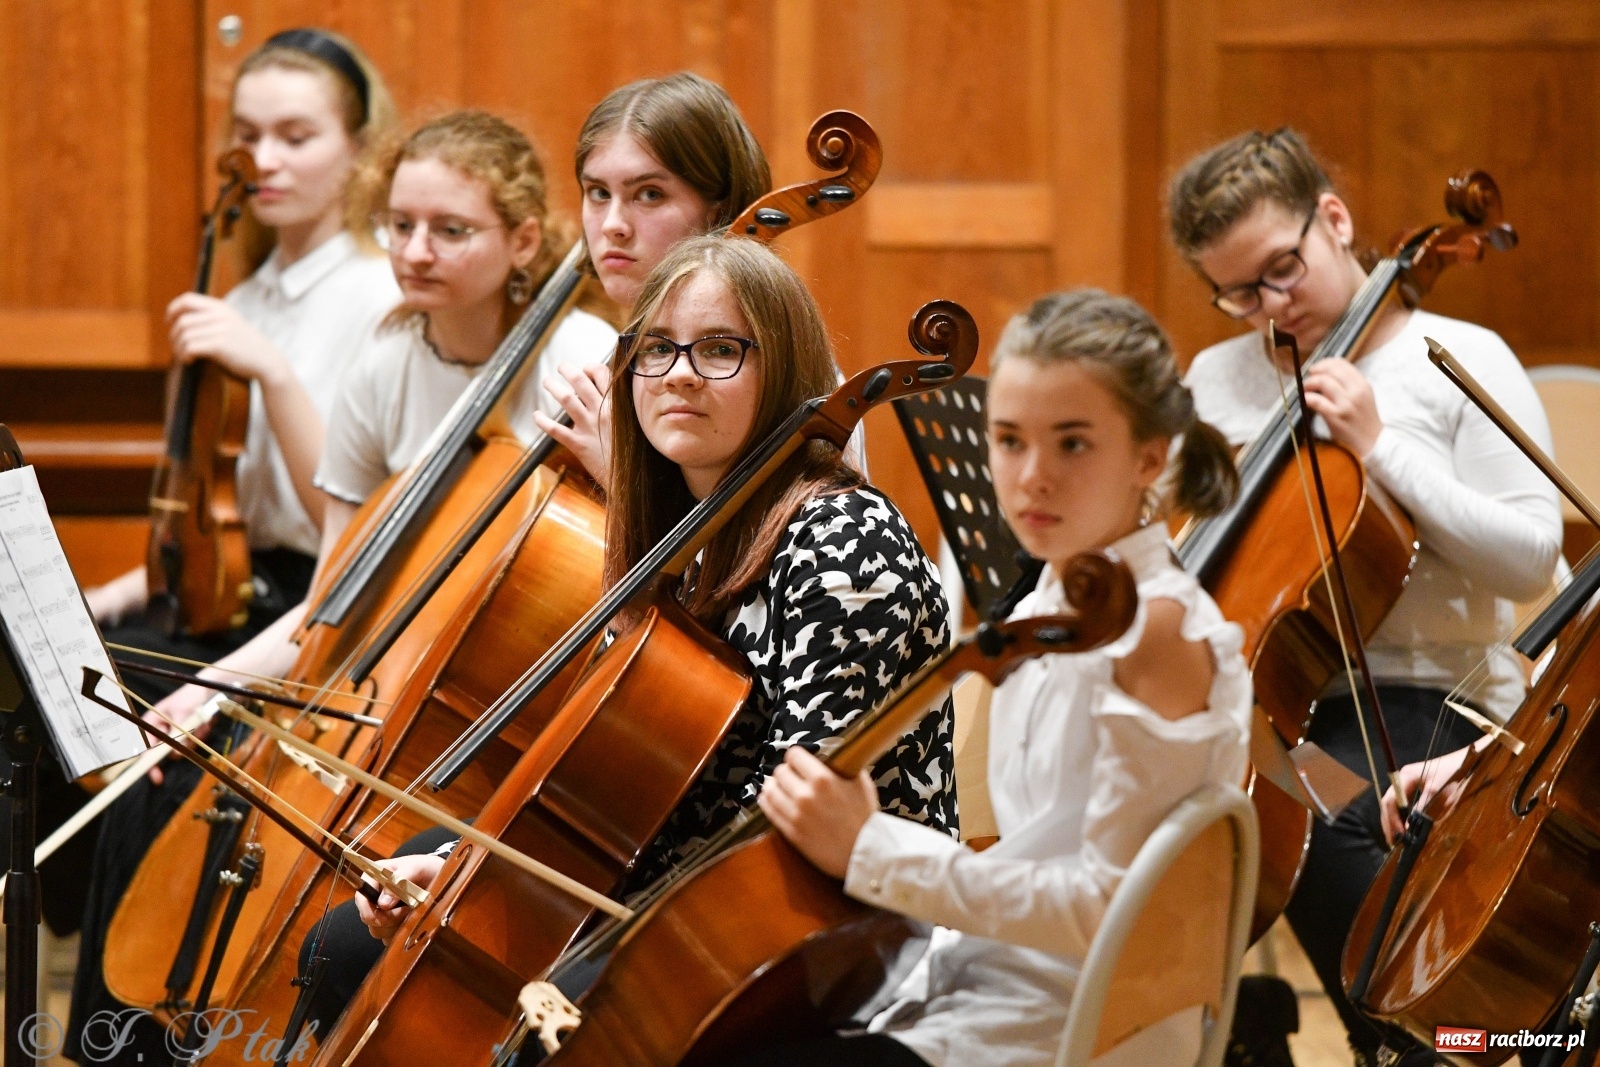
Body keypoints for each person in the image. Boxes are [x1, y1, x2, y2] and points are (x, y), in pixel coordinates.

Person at [304, 235, 958, 1050]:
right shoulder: (685, 539)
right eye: (657, 349)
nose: (680, 372)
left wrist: (538, 921)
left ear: (784, 368)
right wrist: (483, 887)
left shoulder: (844, 542)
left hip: (813, 943)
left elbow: (784, 836)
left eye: (721, 349)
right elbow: (635, 805)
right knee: (349, 944)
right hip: (682, 908)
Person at [724, 288, 1251, 1067]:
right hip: (977, 986)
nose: (1031, 476)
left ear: (1148, 456)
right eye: (1008, 440)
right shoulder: (1054, 595)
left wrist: (873, 848)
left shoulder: (1159, 631)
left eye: (1072, 444)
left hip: (1065, 1030)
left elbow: (1108, 911)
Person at [1171, 128, 1562, 1064]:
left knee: (1304, 799)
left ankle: (1427, 1043)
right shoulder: (1215, 382)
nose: (1268, 308)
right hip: (1276, 707)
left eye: (1281, 271)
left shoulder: (1455, 357)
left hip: (1437, 706)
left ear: (1334, 221)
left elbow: (1529, 556)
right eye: (1235, 292)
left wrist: (1383, 447)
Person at [64, 28, 400, 1063]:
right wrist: (104, 594)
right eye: (248, 136)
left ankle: (122, 1040)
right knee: (51, 685)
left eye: (297, 135)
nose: (266, 161)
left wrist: (275, 375)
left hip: (317, 598)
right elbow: (215, 513)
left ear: (357, 149)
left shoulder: (380, 294)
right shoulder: (243, 294)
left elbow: (344, 520)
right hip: (231, 584)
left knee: (145, 749)